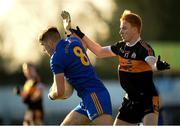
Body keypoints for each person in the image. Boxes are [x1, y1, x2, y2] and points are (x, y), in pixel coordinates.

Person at [67, 10, 170, 125]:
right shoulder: (120, 47)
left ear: (135, 29)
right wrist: (82, 35)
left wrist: (158, 65)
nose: (120, 31)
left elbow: (152, 62)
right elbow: (99, 52)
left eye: (124, 28)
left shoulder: (144, 48)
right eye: (121, 28)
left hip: (147, 100)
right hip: (130, 100)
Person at [38, 27, 113, 125]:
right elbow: (84, 46)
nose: (44, 50)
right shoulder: (73, 41)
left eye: (44, 45)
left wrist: (51, 95)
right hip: (88, 98)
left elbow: (60, 92)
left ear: (50, 43)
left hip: (94, 96)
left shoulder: (56, 58)